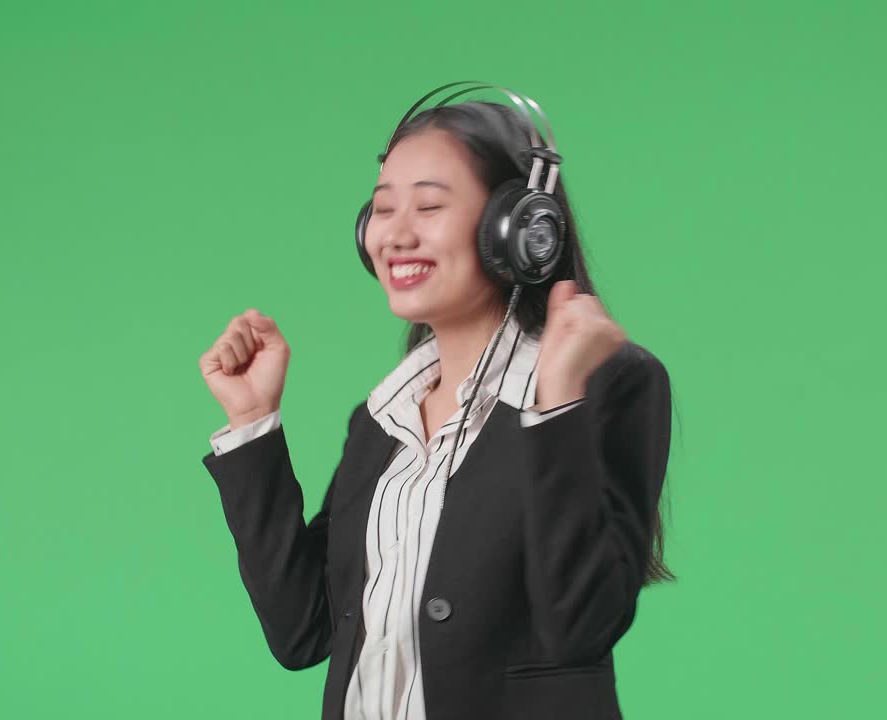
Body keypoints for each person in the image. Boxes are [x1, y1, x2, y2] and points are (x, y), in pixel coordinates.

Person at [198, 91, 675, 720]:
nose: (394, 234)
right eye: (383, 207)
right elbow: (302, 632)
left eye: (428, 205)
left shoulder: (609, 381)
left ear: (520, 227)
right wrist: (254, 424)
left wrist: (555, 408)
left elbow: (581, 627)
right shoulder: (383, 419)